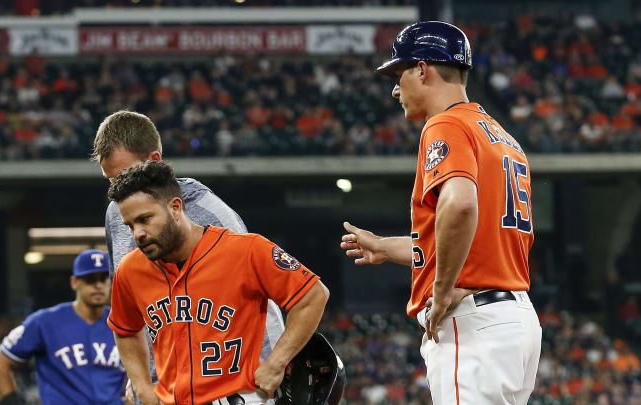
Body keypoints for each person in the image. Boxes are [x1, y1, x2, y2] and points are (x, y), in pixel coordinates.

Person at [340, 21, 542, 405]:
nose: (395, 88)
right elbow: (470, 236)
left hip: (474, 323)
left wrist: (442, 288)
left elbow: (461, 205)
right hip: (514, 321)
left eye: (400, 73)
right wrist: (384, 247)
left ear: (422, 69)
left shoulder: (446, 123)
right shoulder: (499, 135)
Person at [91, 110, 286, 404]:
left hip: (236, 385)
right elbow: (130, 306)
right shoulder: (116, 214)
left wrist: (271, 370)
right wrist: (140, 380)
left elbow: (262, 300)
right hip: (167, 386)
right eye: (111, 181)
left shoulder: (211, 214)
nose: (119, 190)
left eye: (125, 175)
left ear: (155, 161)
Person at [106, 160, 329, 405]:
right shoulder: (130, 270)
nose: (137, 233)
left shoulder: (246, 250)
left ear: (176, 207)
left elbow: (313, 295)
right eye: (130, 225)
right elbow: (125, 330)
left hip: (241, 398)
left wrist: (277, 363)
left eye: (145, 219)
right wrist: (143, 388)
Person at [0, 249, 126, 405]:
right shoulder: (44, 321)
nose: (98, 285)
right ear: (74, 282)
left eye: (104, 278)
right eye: (90, 279)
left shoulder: (123, 322)